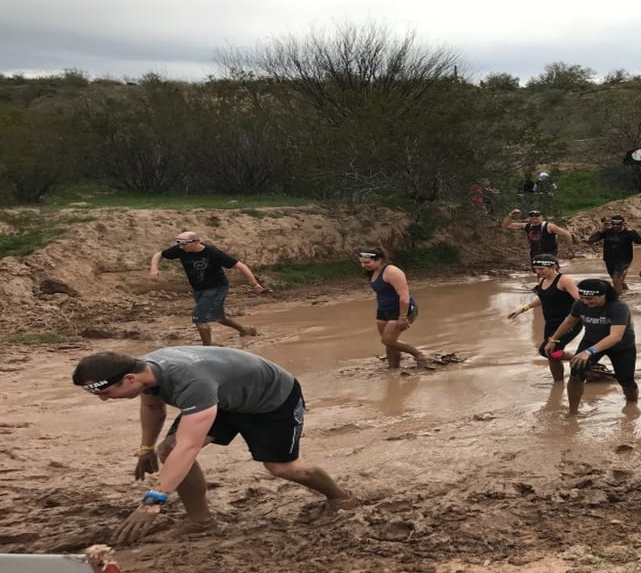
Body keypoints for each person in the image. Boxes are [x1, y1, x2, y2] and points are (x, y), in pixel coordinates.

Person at [72, 347, 354, 544]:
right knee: (167, 450)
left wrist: (154, 500)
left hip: (271, 400)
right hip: (222, 396)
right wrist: (146, 449)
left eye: (107, 393)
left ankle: (341, 498)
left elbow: (189, 447)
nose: (104, 400)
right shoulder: (143, 370)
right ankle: (201, 521)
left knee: (282, 467)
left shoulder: (189, 380)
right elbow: (152, 407)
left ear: (129, 379)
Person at [149, 231, 265, 346]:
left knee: (199, 318)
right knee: (218, 317)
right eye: (179, 243)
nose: (181, 246)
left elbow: (240, 266)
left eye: (184, 244)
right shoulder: (181, 250)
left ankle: (207, 347)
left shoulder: (213, 253)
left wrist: (254, 284)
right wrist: (154, 269)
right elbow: (159, 254)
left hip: (217, 288)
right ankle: (245, 330)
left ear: (196, 242)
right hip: (199, 289)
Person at [543, 279, 638, 415]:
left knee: (626, 380)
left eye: (590, 299)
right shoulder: (580, 304)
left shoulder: (618, 307)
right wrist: (553, 340)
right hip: (591, 341)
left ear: (604, 295)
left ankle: (632, 407)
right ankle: (573, 412)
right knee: (576, 373)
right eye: (582, 298)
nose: (586, 302)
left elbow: (615, 336)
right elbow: (569, 321)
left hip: (621, 346)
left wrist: (589, 351)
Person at [508, 255, 581, 382]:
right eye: (536, 269)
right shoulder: (543, 281)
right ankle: (558, 384)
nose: (538, 272)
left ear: (553, 267)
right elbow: (543, 298)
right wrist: (524, 308)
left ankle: (579, 359)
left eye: (541, 269)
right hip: (551, 323)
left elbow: (580, 300)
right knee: (552, 355)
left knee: (548, 351)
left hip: (568, 323)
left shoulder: (565, 280)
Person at [359, 249, 429, 369]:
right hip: (384, 309)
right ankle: (393, 368)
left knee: (388, 340)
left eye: (367, 262)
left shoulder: (392, 272)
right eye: (362, 262)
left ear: (379, 260)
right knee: (389, 343)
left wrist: (403, 316)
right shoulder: (373, 271)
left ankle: (419, 355)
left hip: (402, 309)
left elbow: (404, 297)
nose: (363, 266)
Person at [586, 215, 641, 294]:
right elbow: (590, 240)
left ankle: (617, 299)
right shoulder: (607, 231)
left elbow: (639, 241)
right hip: (609, 259)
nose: (615, 226)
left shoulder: (628, 232)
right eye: (613, 224)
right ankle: (626, 292)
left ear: (623, 224)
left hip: (624, 260)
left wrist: (630, 230)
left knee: (615, 278)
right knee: (618, 280)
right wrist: (601, 230)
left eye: (618, 224)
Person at [502, 209, 574, 260]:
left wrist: (570, 250)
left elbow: (566, 234)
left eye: (537, 215)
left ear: (541, 217)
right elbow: (506, 225)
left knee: (548, 274)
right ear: (529, 218)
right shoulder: (527, 226)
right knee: (539, 275)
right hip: (535, 254)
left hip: (549, 253)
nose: (535, 217)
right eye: (532, 216)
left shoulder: (549, 226)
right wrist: (511, 215)